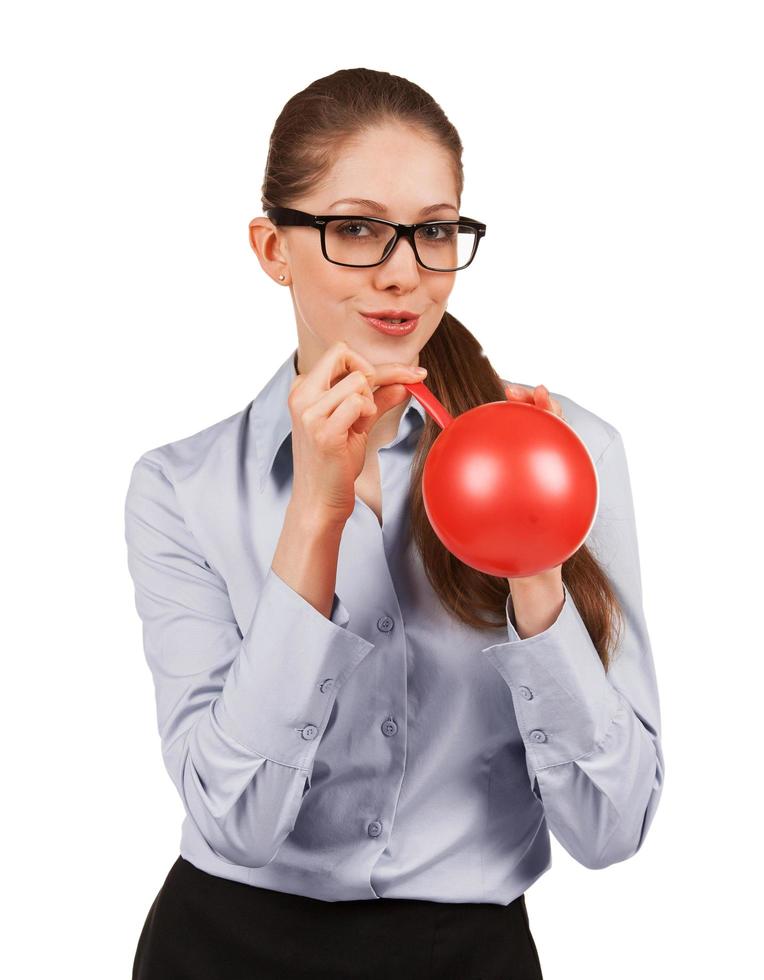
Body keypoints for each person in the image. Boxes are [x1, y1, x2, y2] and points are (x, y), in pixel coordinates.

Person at [124, 67, 665, 980]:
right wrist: (315, 515)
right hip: (221, 952)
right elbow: (234, 821)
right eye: (357, 228)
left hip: (469, 958)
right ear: (272, 249)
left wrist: (534, 564)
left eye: (436, 231)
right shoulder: (181, 489)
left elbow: (613, 829)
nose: (404, 271)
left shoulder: (567, 455)